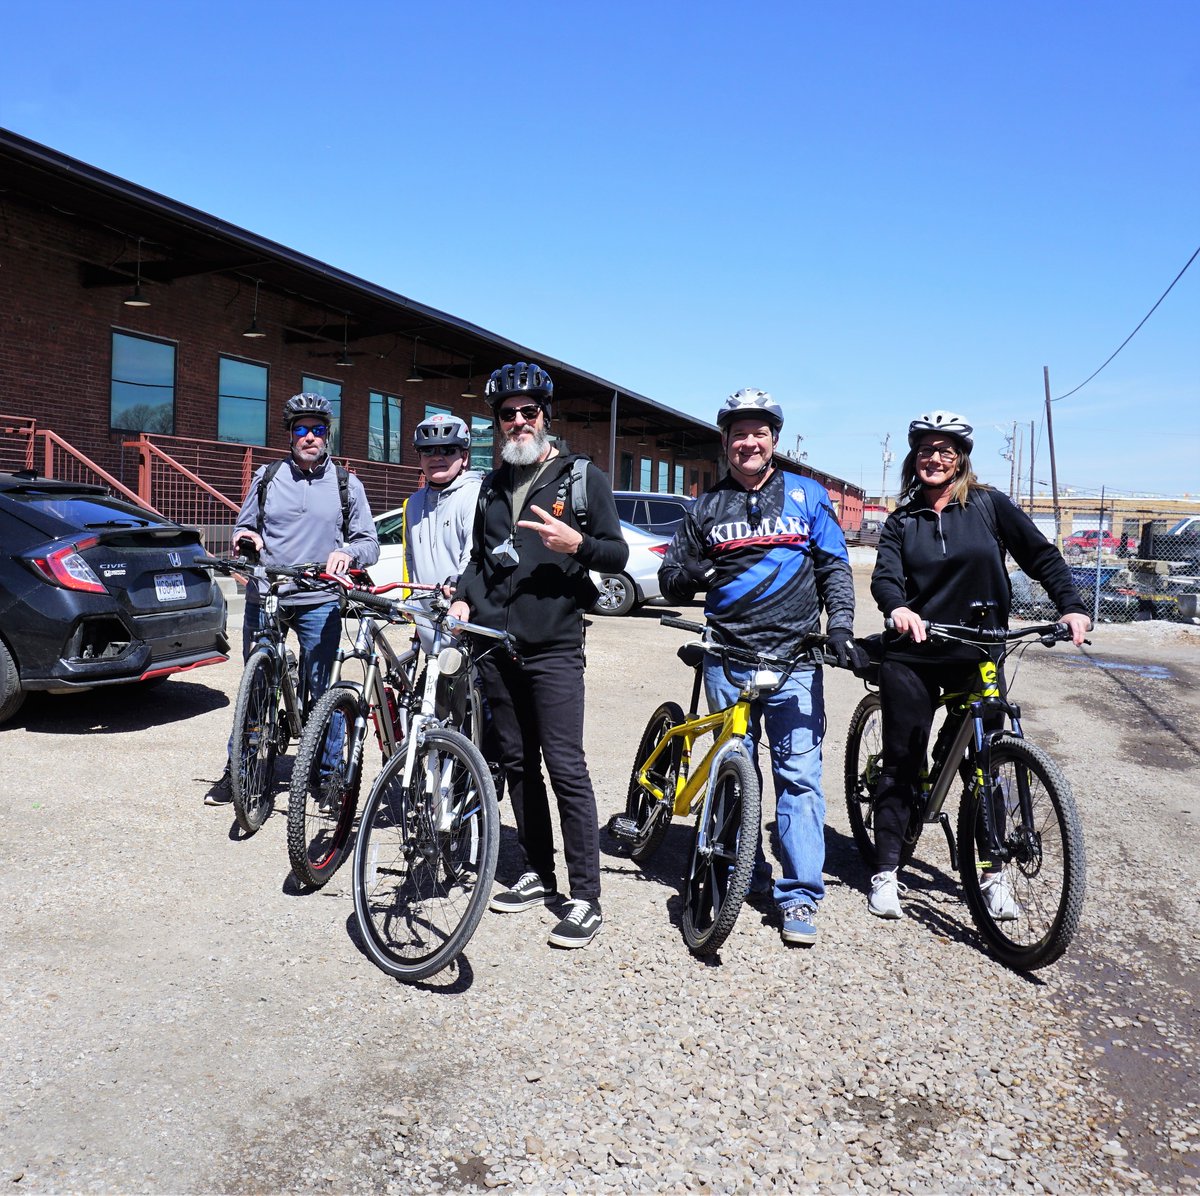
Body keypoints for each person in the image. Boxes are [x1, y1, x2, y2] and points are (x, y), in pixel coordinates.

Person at [659, 388, 865, 947]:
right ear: (725, 440)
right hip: (727, 658)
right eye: (738, 433)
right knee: (734, 773)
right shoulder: (705, 507)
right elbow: (671, 581)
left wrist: (840, 628)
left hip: (795, 662)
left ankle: (799, 895)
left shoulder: (808, 495)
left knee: (798, 778)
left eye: (759, 432)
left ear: (774, 439)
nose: (748, 442)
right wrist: (695, 569)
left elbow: (834, 568)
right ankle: (739, 874)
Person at [866, 410, 1090, 919]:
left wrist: (1071, 605)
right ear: (913, 457)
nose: (936, 458)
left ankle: (992, 875)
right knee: (905, 755)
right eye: (926, 449)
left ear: (961, 458)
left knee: (985, 762)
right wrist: (897, 608)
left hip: (980, 649)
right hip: (913, 654)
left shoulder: (989, 506)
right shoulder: (903, 522)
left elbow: (1043, 556)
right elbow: (885, 579)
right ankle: (885, 870)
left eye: (946, 450)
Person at [448, 362, 628, 949]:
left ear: (545, 417)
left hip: (553, 647)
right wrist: (461, 600)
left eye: (529, 412)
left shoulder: (581, 477)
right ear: (497, 424)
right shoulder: (494, 484)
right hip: (496, 647)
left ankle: (586, 897)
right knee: (518, 763)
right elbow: (481, 560)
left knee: (565, 767)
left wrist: (578, 543)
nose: (519, 422)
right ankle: (537, 872)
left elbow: (616, 553)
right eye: (508, 415)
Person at [206, 393, 379, 804]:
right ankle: (242, 766)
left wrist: (347, 552)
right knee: (257, 684)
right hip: (267, 592)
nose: (309, 437)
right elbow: (243, 528)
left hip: (319, 598)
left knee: (321, 688)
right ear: (289, 435)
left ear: (328, 435)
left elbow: (369, 542)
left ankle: (329, 771)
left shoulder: (345, 484)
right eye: (301, 429)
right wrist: (245, 539)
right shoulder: (266, 478)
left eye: (318, 430)